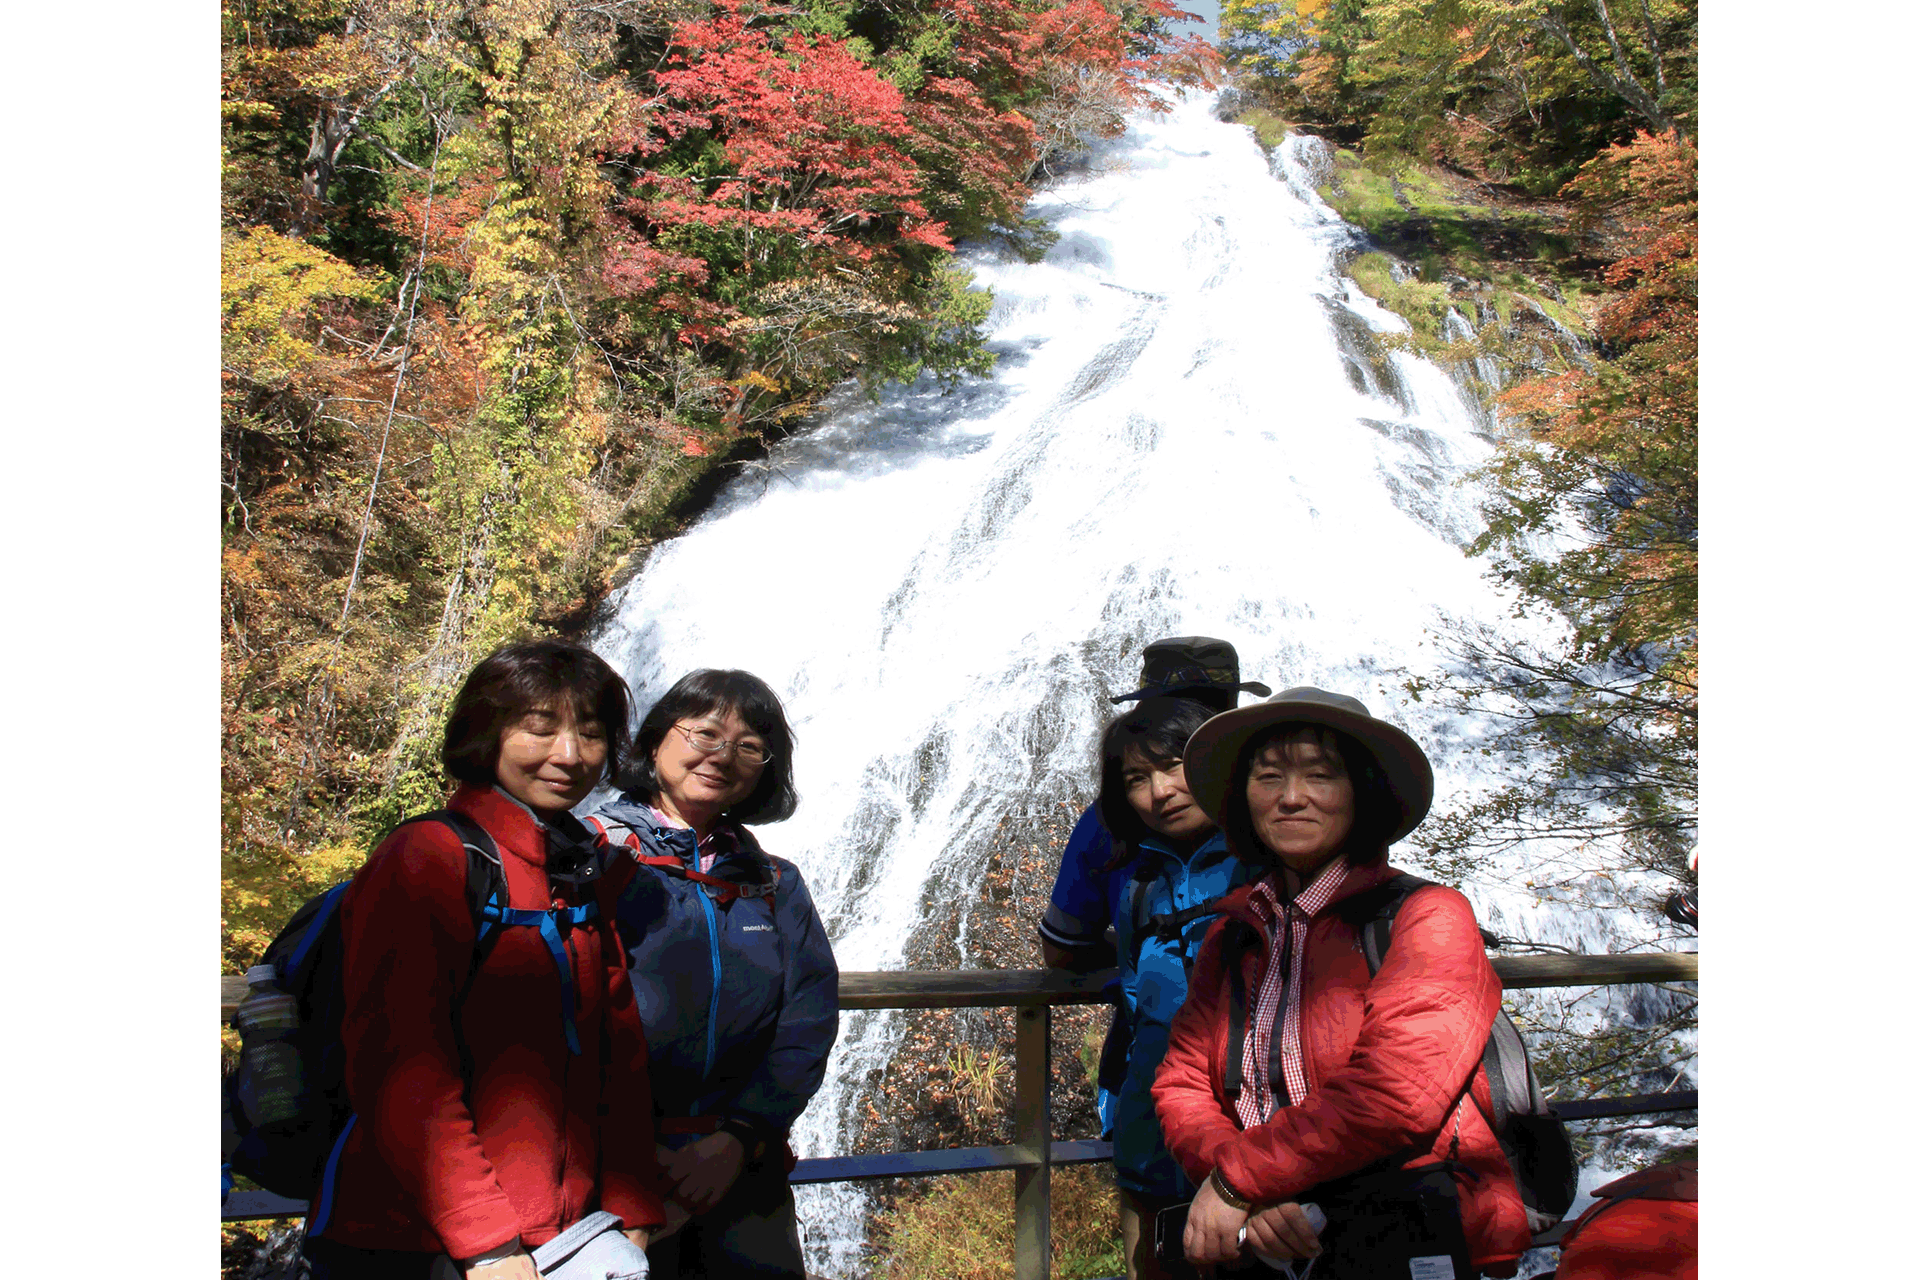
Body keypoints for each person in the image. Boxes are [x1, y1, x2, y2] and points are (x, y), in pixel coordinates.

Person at [303, 639, 665, 1280]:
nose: (570, 755)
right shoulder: (431, 857)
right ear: (486, 733)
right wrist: (488, 1243)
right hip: (423, 1244)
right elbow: (401, 1066)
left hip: (566, 1237)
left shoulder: (579, 869)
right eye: (540, 728)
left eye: (590, 732)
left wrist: (633, 1204)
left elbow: (620, 1050)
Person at [1153, 687, 1533, 1278]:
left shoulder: (1426, 916)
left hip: (1401, 1227)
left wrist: (1239, 1181)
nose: (1291, 798)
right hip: (1265, 1231)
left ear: (1363, 794)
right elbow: (1181, 1081)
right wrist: (1242, 1178)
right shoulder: (1234, 935)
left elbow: (1395, 1091)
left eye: (1321, 775)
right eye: (1269, 777)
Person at [587, 669, 838, 1279]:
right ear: (653, 742)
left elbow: (807, 1015)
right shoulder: (586, 856)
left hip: (741, 1169)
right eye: (704, 733)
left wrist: (738, 1137)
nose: (723, 756)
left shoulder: (773, 881)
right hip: (604, 1171)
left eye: (749, 747)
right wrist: (634, 1158)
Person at [1038, 637, 1270, 1133]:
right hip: (1165, 1085)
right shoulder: (1268, 819)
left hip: (1259, 1094)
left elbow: (1064, 948)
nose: (1162, 790)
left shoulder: (1107, 824)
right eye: (1140, 775)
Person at [1097, 696, 1252, 1280]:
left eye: (1175, 765)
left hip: (1249, 1142)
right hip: (1153, 1139)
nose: (1160, 792)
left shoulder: (1270, 869)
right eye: (1138, 778)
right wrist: (1122, 1112)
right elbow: (1138, 1009)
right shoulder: (1141, 885)